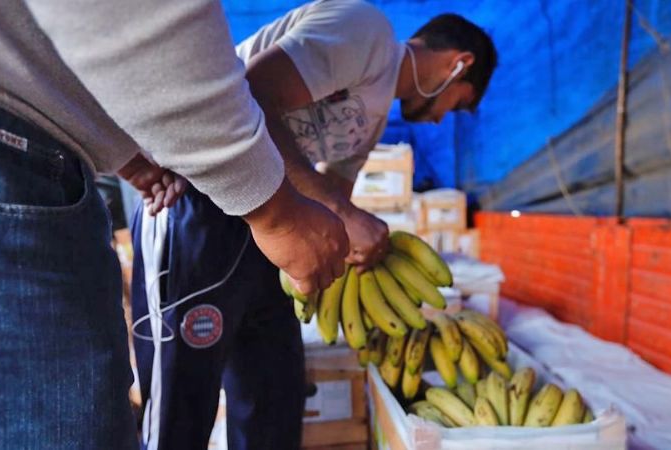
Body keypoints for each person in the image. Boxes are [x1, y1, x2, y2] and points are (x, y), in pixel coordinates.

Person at [0, 0, 349, 449]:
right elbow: (128, 14)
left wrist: (120, 151)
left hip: (26, 155)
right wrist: (277, 213)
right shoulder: (360, 28)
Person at [129, 1, 499, 449]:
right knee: (180, 404)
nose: (442, 118)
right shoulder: (367, 31)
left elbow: (336, 194)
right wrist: (344, 216)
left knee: (273, 397)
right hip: (203, 201)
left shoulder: (377, 115)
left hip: (278, 231)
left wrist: (354, 241)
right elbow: (251, 96)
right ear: (459, 65)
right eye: (458, 105)